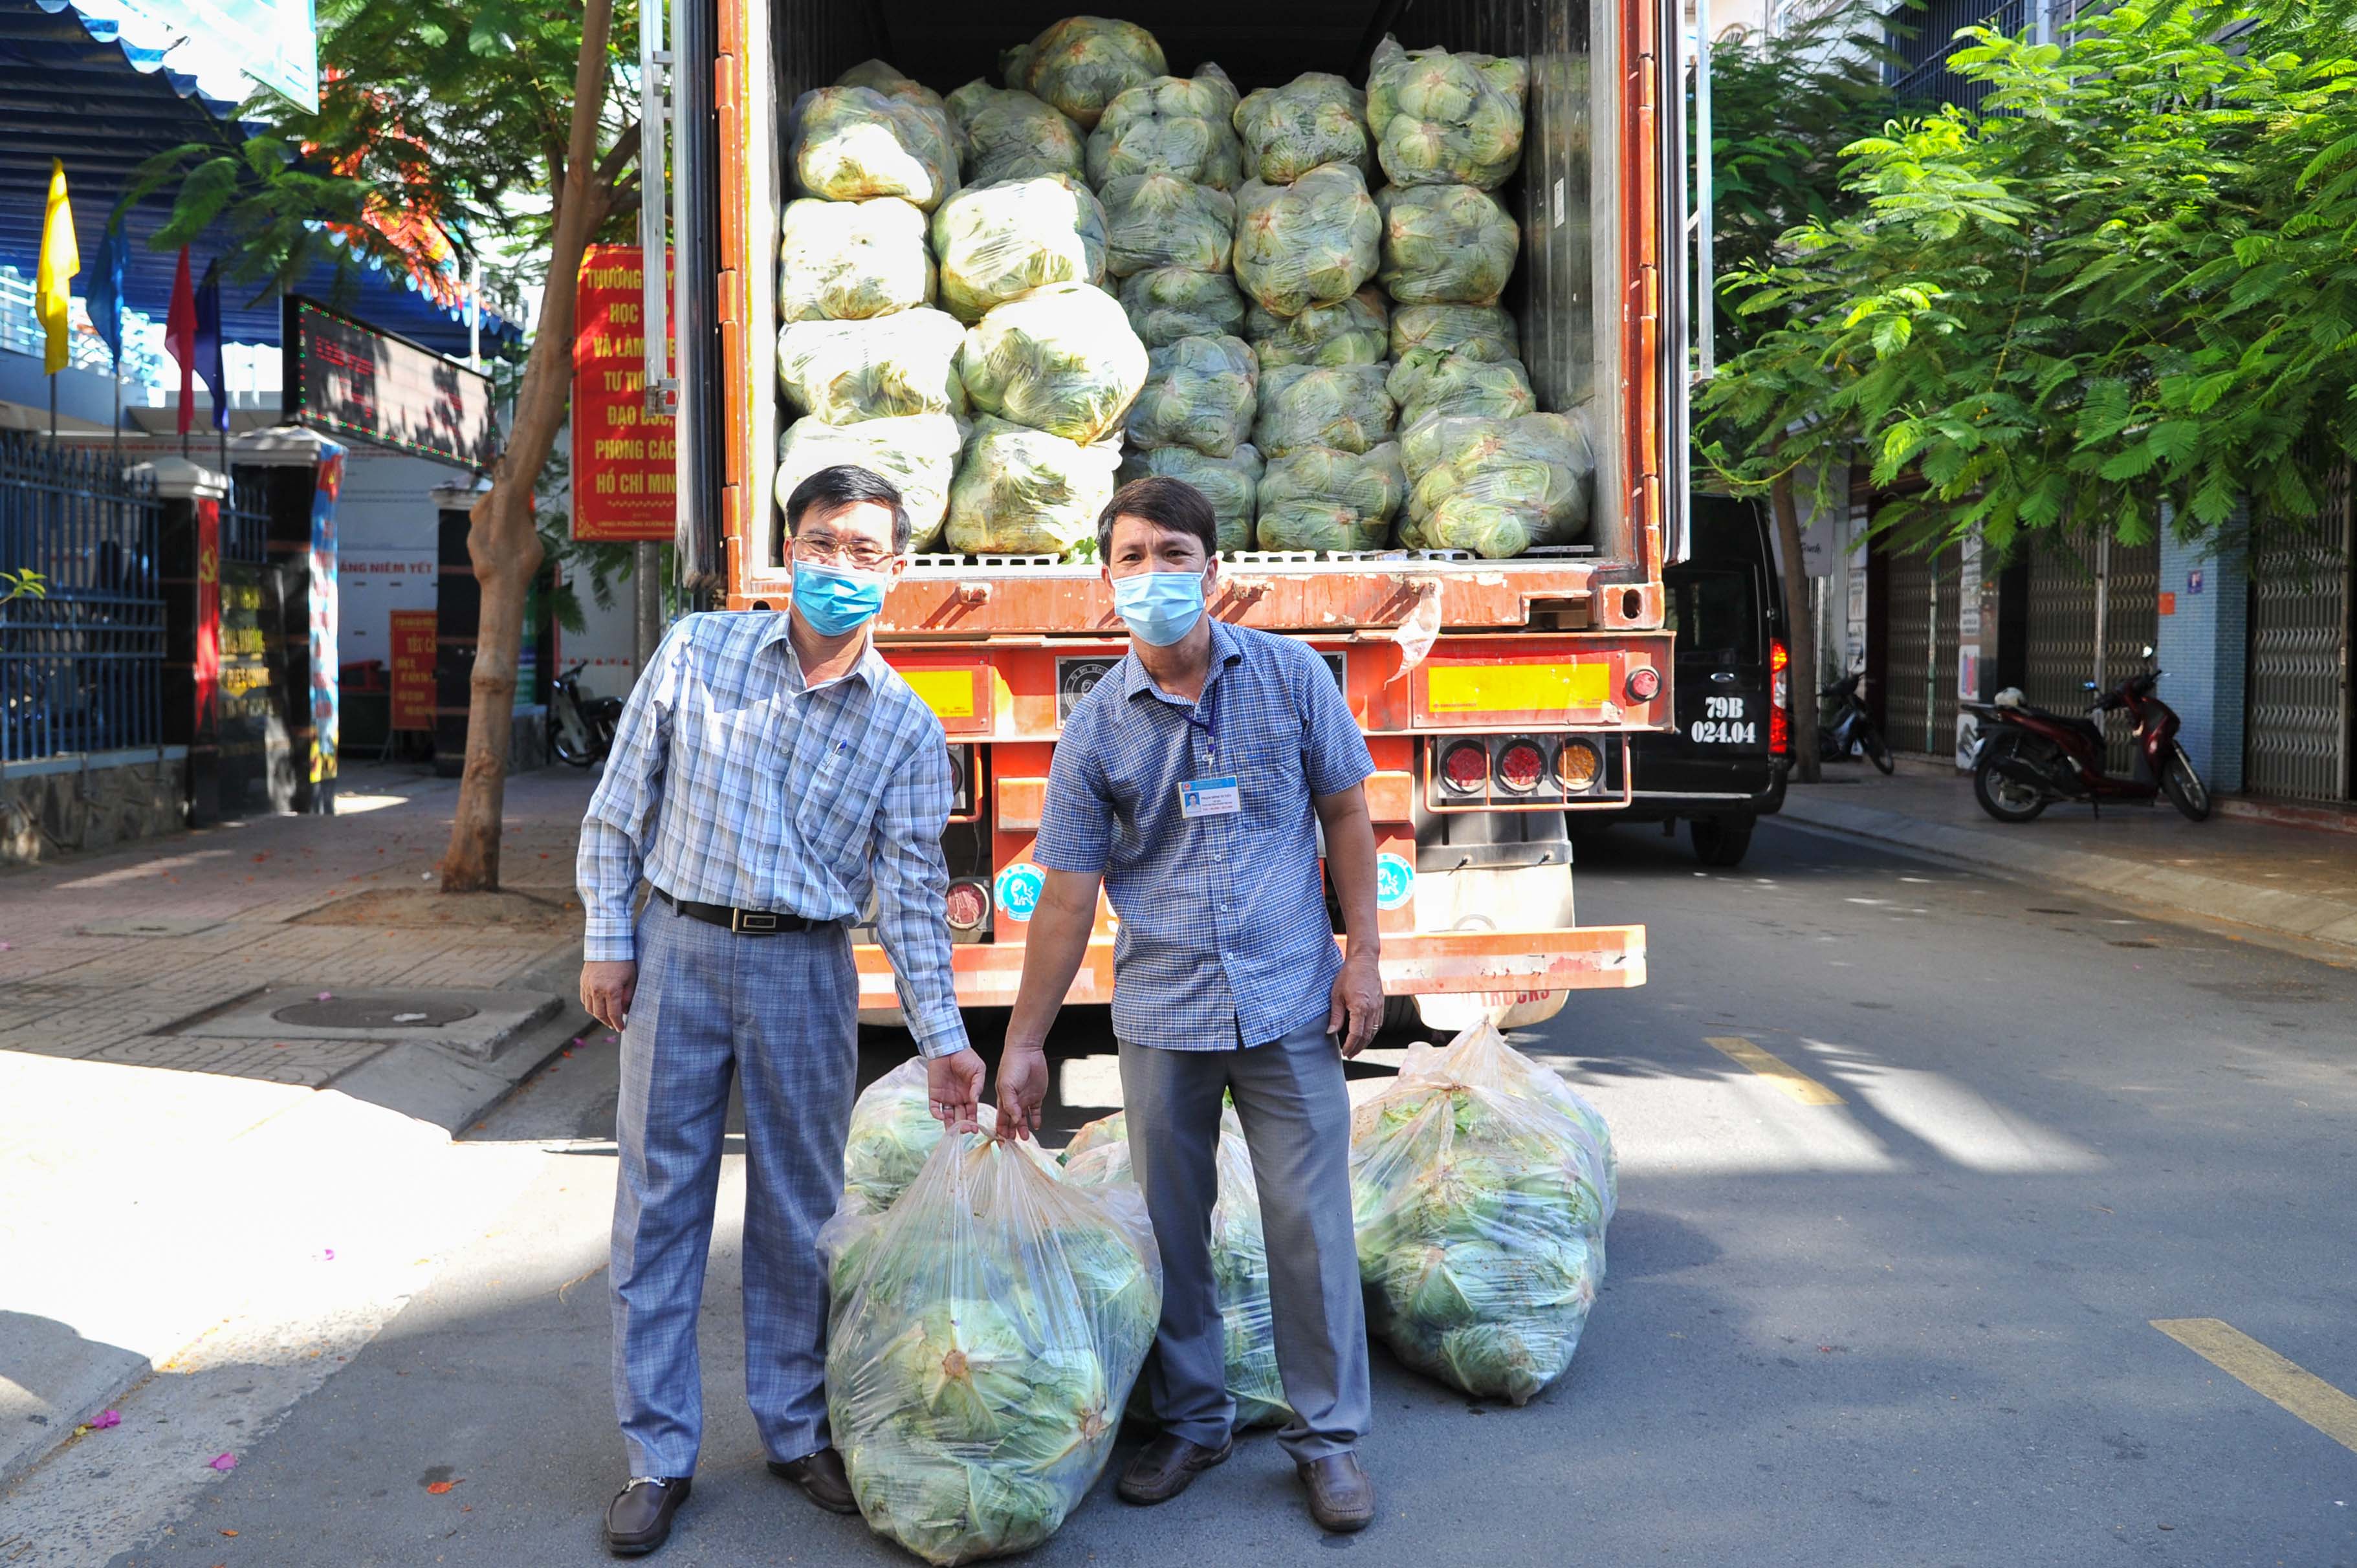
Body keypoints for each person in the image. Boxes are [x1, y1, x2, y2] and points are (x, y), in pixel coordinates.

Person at [576, 465, 986, 1556]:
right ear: (786, 550)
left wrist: (945, 1041)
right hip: (679, 948)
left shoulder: (904, 728)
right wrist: (609, 940)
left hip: (807, 971)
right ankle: (657, 1456)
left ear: (898, 572)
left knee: (802, 1217)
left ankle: (796, 1429)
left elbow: (907, 898)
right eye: (820, 544)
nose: (839, 568)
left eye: (864, 551)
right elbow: (622, 806)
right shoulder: (699, 650)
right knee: (660, 1207)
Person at [994, 476, 1385, 1534]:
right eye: (1132, 556)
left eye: (1175, 554)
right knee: (1174, 1229)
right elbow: (1068, 893)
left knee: (1310, 1225)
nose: (1154, 574)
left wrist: (1365, 956)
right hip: (1163, 1010)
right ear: (1104, 579)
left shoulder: (1293, 678)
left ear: (1214, 573)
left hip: (1289, 999)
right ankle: (1196, 1420)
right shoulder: (1095, 732)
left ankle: (1328, 1440)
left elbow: (1347, 814)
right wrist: (1024, 1043)